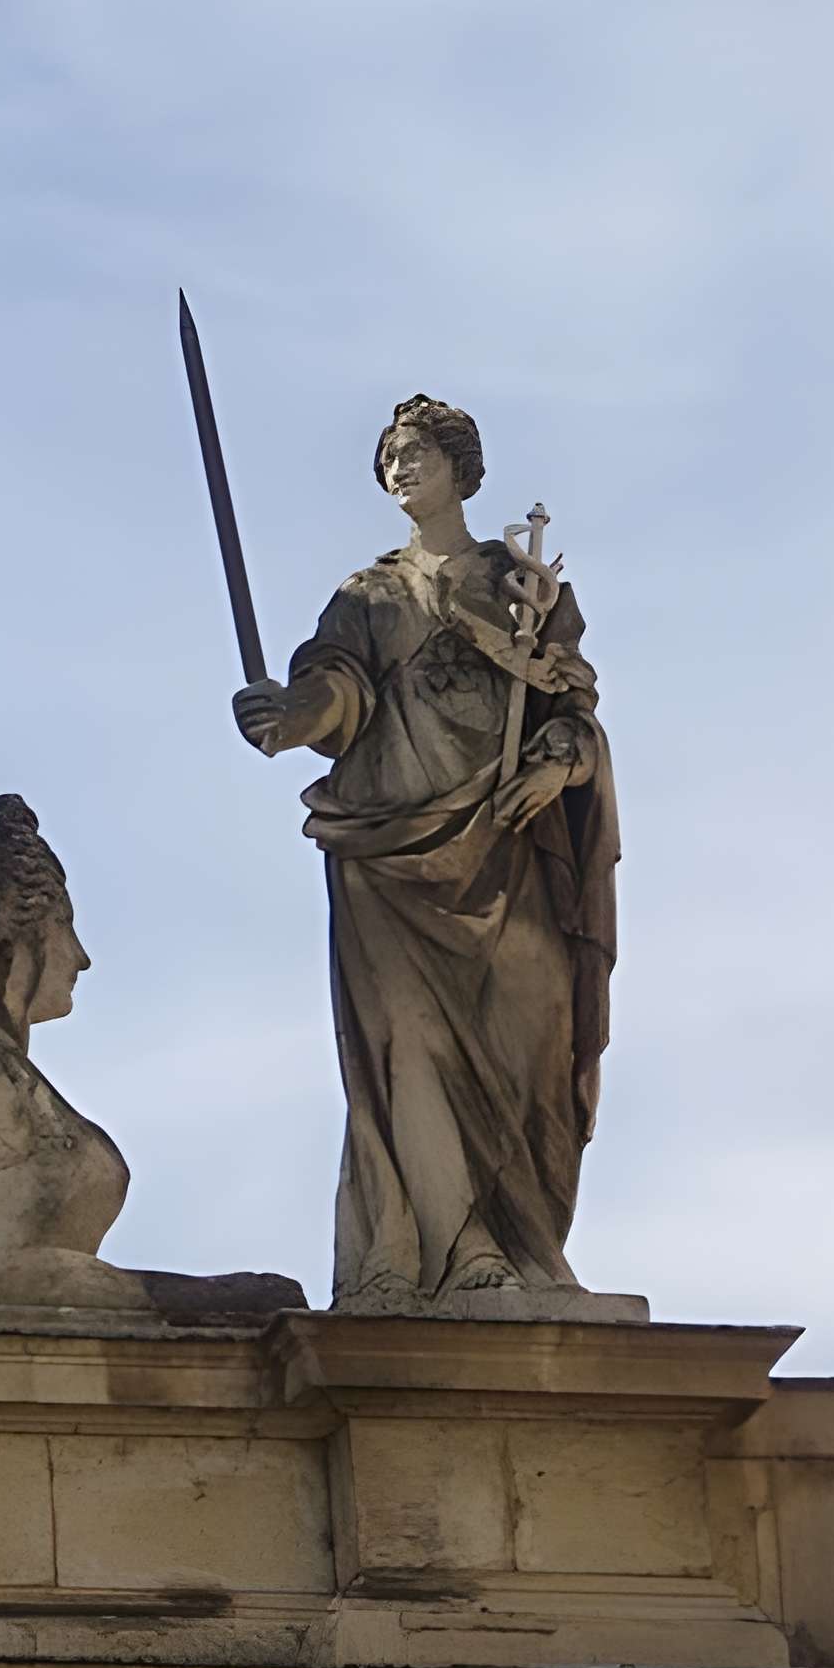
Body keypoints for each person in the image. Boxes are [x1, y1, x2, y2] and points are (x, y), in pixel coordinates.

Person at [234, 395, 618, 1308]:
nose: (399, 470)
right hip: (389, 850)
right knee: (409, 1048)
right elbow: (337, 686)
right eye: (388, 459)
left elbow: (572, 700)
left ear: (459, 467)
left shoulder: (520, 582)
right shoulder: (367, 597)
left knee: (530, 1040)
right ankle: (456, 1246)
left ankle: (527, 1244)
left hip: (506, 842)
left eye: (414, 454)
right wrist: (293, 718)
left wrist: (558, 765)